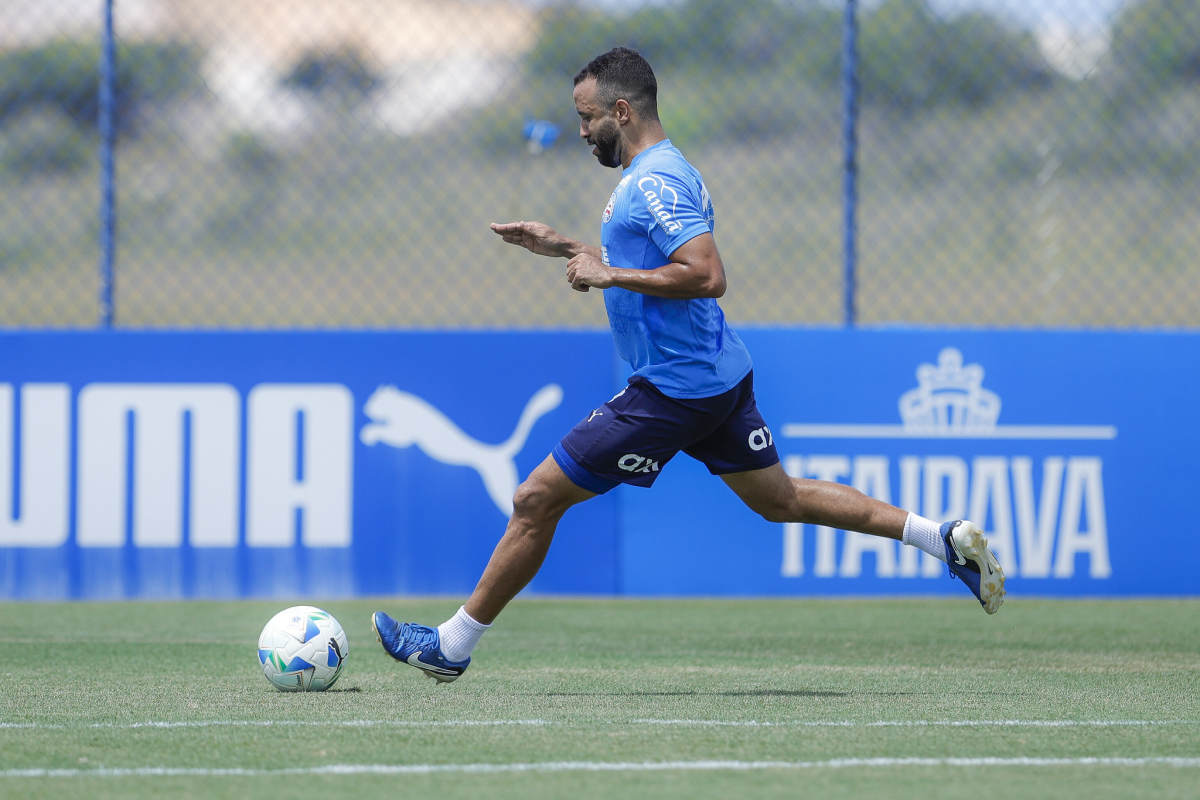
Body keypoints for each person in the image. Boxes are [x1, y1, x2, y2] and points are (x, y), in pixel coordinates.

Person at [372, 47, 1005, 683]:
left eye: (588, 117)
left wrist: (607, 272)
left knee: (534, 498)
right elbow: (660, 260)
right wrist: (567, 248)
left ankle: (450, 647)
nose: (583, 131)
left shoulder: (655, 181)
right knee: (781, 500)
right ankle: (940, 538)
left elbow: (706, 275)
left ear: (622, 110)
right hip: (715, 378)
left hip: (673, 390)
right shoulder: (661, 172)